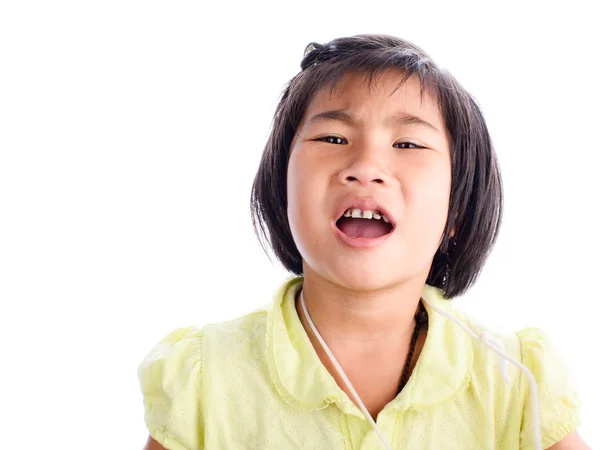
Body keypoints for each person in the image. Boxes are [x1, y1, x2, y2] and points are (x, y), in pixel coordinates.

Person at [138, 34, 589, 449]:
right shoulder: (203, 377)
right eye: (333, 137)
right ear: (283, 190)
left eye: (409, 144)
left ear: (456, 209)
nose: (365, 166)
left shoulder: (517, 380)